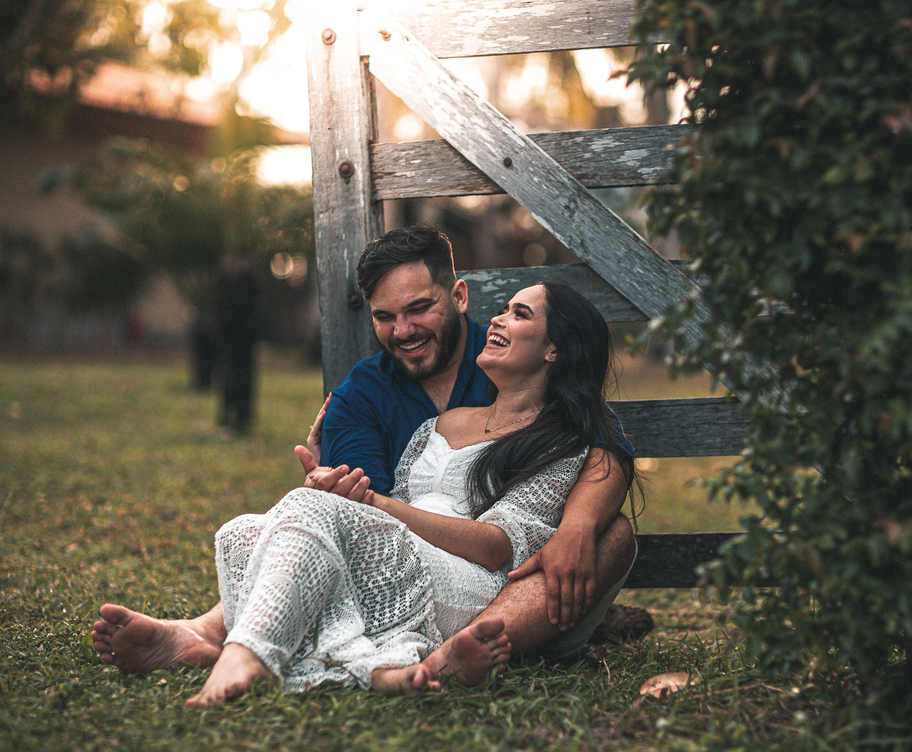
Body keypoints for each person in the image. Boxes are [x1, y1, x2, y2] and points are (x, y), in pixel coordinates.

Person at [92, 226, 639, 680]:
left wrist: (576, 526)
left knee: (612, 533)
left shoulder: (506, 364)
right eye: (384, 317)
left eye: (419, 308)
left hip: (507, 577)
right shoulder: (359, 398)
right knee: (267, 528)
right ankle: (205, 634)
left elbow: (600, 440)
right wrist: (336, 491)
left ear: (458, 297)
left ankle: (455, 648)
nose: (404, 331)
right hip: (412, 559)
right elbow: (364, 515)